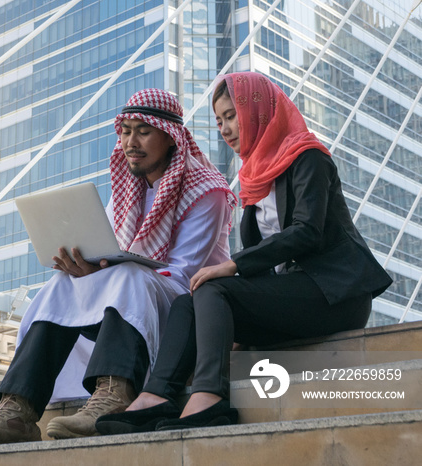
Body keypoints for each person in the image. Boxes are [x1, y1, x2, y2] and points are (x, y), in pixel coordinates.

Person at [96, 72, 393, 435]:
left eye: (232, 116)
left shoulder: (308, 156)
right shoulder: (255, 176)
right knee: (189, 300)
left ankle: (210, 395)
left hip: (334, 294)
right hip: (293, 295)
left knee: (213, 286)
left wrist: (233, 266)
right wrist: (229, 315)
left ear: (259, 110)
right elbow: (260, 266)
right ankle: (157, 394)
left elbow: (307, 232)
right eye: (219, 120)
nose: (224, 128)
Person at [0, 89, 237, 447]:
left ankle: (114, 395)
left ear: (170, 136)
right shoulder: (130, 188)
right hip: (131, 305)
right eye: (125, 131)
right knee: (62, 283)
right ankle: (17, 410)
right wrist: (90, 271)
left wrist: (110, 274)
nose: (130, 142)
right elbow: (119, 257)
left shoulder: (207, 191)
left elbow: (182, 275)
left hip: (185, 310)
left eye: (143, 131)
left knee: (128, 276)